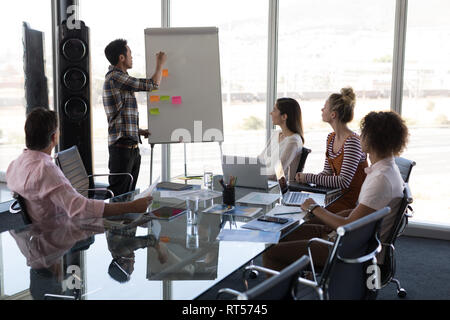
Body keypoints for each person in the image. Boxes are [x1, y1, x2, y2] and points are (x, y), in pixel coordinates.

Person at [263, 111, 408, 271]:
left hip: (346, 248)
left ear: (373, 139)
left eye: (363, 133)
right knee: (284, 232)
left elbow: (347, 225)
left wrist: (314, 208)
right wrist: (321, 217)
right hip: (349, 238)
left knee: (271, 252)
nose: (360, 137)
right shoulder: (386, 170)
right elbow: (357, 213)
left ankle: (290, 288)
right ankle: (297, 283)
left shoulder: (381, 179)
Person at [6, 108, 152, 223]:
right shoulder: (46, 170)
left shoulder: (14, 165)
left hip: (39, 238)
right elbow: (80, 209)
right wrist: (131, 207)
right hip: (59, 233)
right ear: (54, 137)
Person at [103, 39, 167, 197]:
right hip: (121, 150)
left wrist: (137, 131)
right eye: (130, 53)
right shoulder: (115, 77)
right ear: (121, 57)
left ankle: (124, 222)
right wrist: (160, 64)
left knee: (128, 198)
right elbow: (152, 84)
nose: (132, 57)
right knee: (119, 198)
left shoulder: (120, 79)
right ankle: (112, 222)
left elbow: (121, 117)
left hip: (130, 148)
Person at [295, 87, 368, 213]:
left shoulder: (352, 142)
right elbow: (327, 172)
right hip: (336, 197)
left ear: (333, 114)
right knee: (300, 210)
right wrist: (308, 182)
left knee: (305, 216)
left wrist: (309, 178)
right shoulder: (331, 138)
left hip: (351, 204)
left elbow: (343, 181)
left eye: (325, 107)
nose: (322, 110)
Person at [258, 98, 305, 182]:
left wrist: (256, 176)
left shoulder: (293, 141)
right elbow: (260, 159)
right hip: (266, 181)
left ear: (284, 116)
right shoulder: (276, 134)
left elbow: (277, 174)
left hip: (277, 187)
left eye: (274, 110)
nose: (271, 113)